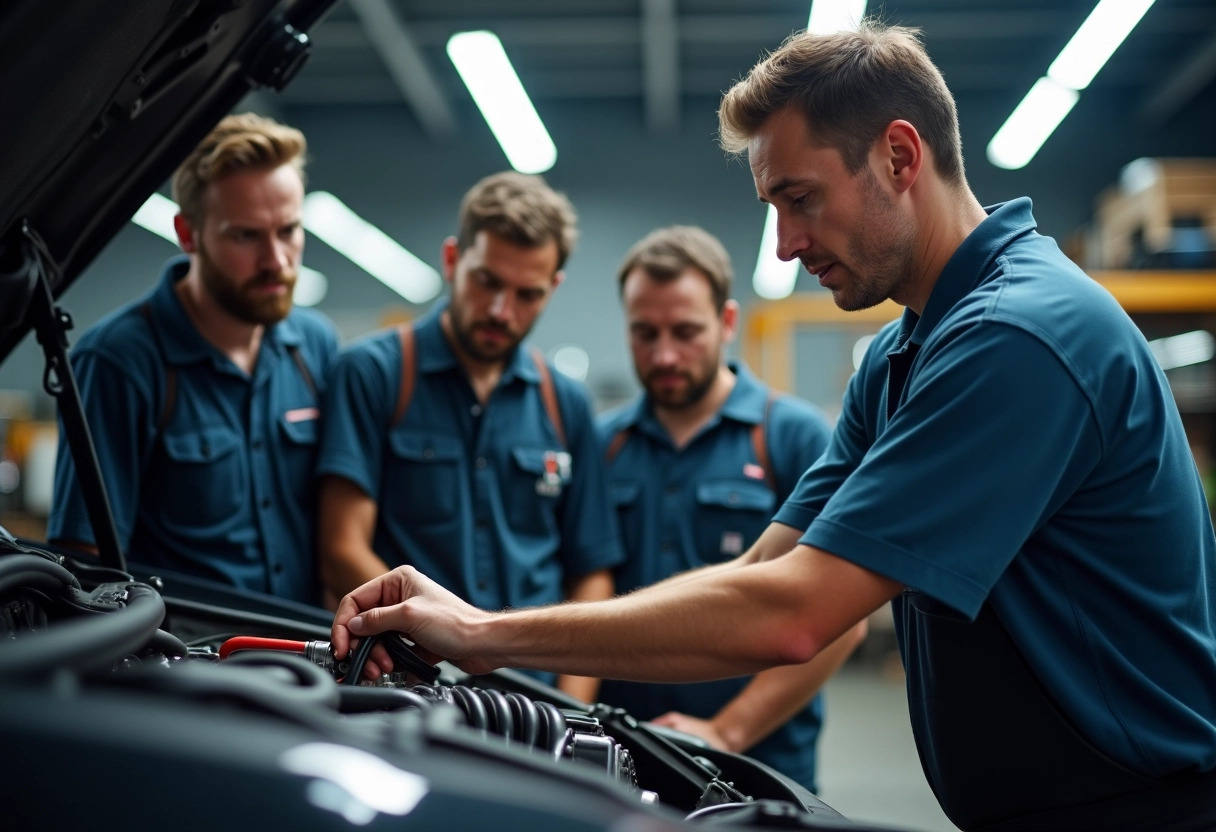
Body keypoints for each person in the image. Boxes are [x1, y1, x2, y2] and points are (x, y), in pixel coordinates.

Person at [331, 24, 1216, 831]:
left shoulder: (1020, 337)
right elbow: (761, 571)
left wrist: (487, 636)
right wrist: (505, 642)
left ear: (900, 156)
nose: (785, 244)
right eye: (772, 209)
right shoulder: (904, 353)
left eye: (799, 198)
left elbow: (794, 616)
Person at [316, 171, 622, 701]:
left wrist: (572, 708)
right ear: (453, 260)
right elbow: (341, 546)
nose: (502, 311)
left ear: (554, 287)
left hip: (534, 699)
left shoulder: (564, 402)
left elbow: (590, 573)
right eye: (487, 282)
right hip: (407, 687)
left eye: (527, 294)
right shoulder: (373, 374)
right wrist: (449, 639)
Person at [597, 225, 861, 792]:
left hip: (757, 766)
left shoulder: (792, 438)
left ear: (727, 322)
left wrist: (726, 731)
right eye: (645, 333)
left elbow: (842, 623)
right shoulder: (602, 446)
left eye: (686, 332)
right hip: (620, 756)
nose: (664, 354)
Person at [49, 113, 338, 605]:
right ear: (188, 233)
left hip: (308, 656)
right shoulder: (119, 361)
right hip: (185, 663)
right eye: (246, 236)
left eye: (288, 230)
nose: (277, 260)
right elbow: (84, 565)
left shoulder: (316, 347)